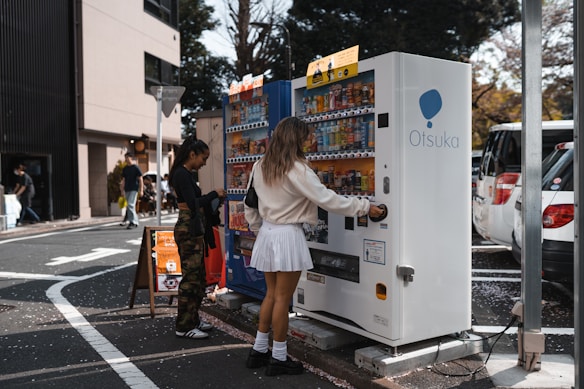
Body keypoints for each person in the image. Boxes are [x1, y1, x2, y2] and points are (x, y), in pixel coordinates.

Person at [244, 117, 384, 376]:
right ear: (296, 138)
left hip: (267, 233)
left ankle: (258, 351)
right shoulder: (296, 168)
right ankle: (278, 357)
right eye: (307, 136)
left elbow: (249, 203)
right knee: (283, 299)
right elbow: (327, 200)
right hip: (287, 235)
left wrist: (257, 230)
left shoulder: (260, 165)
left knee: (271, 295)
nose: (310, 140)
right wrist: (364, 206)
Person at [169, 137, 226, 339]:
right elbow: (193, 204)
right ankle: (184, 326)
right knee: (191, 279)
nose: (205, 162)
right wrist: (213, 194)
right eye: (204, 157)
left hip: (191, 228)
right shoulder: (181, 175)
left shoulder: (185, 174)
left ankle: (192, 319)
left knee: (198, 277)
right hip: (188, 229)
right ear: (192, 154)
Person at [119, 153, 143, 229]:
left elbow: (140, 179)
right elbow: (123, 180)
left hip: (134, 189)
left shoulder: (136, 168)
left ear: (131, 158)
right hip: (127, 189)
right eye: (125, 158)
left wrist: (141, 190)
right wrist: (122, 190)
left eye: (127, 158)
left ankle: (132, 222)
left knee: (130, 205)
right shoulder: (125, 169)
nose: (126, 159)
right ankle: (135, 221)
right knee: (129, 206)